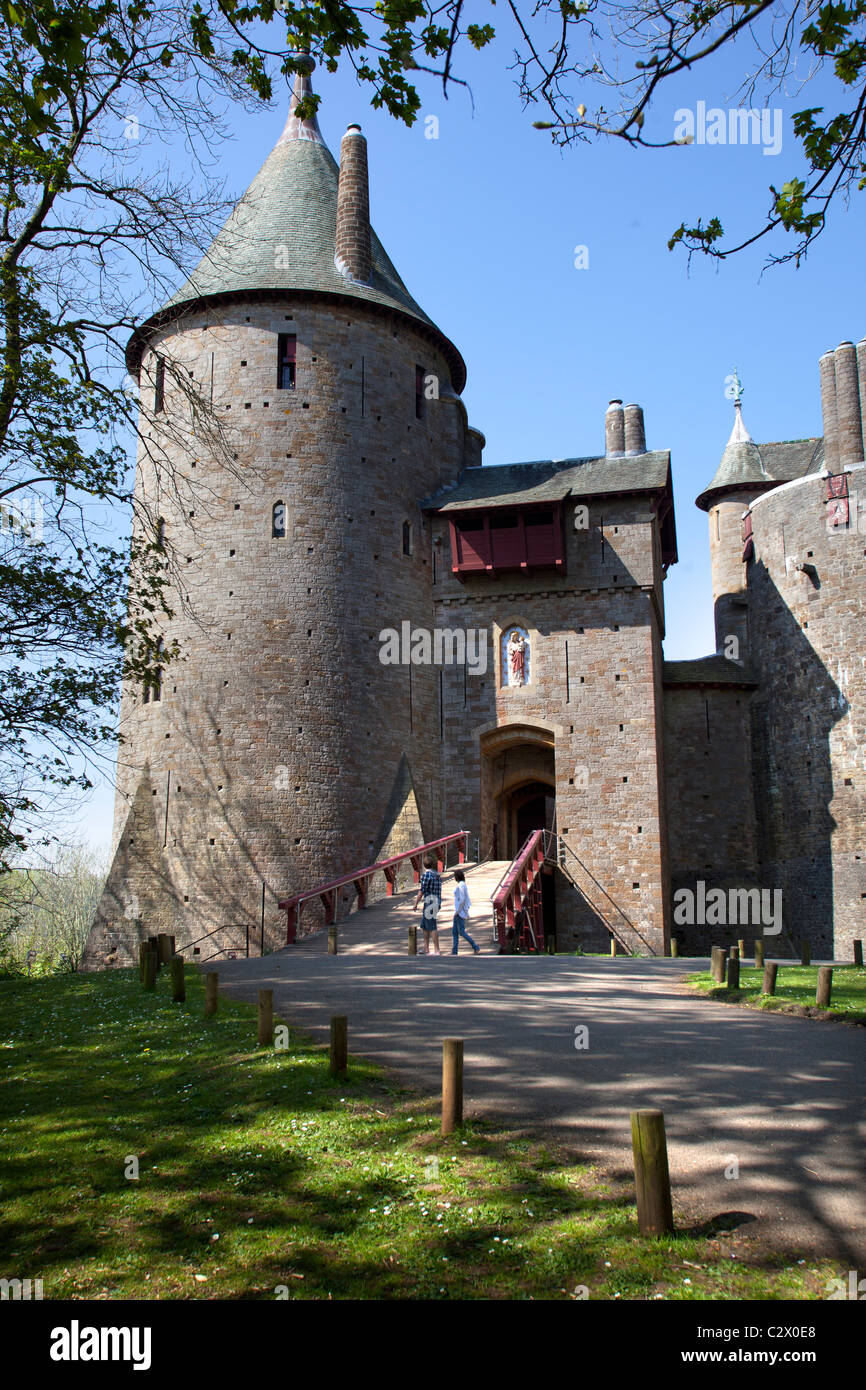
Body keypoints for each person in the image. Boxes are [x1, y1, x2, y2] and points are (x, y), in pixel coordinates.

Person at [413, 854, 442, 955]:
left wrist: (416, 903)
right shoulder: (437, 876)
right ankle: (426, 948)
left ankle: (437, 949)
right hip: (436, 901)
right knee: (425, 925)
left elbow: (422, 890)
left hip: (430, 902)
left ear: (424, 865)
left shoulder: (426, 875)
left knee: (432, 926)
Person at [452, 869, 480, 955]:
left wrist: (458, 911)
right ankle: (454, 951)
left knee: (461, 932)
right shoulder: (463, 884)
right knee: (455, 932)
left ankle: (475, 946)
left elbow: (462, 899)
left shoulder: (461, 885)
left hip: (459, 912)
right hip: (459, 911)